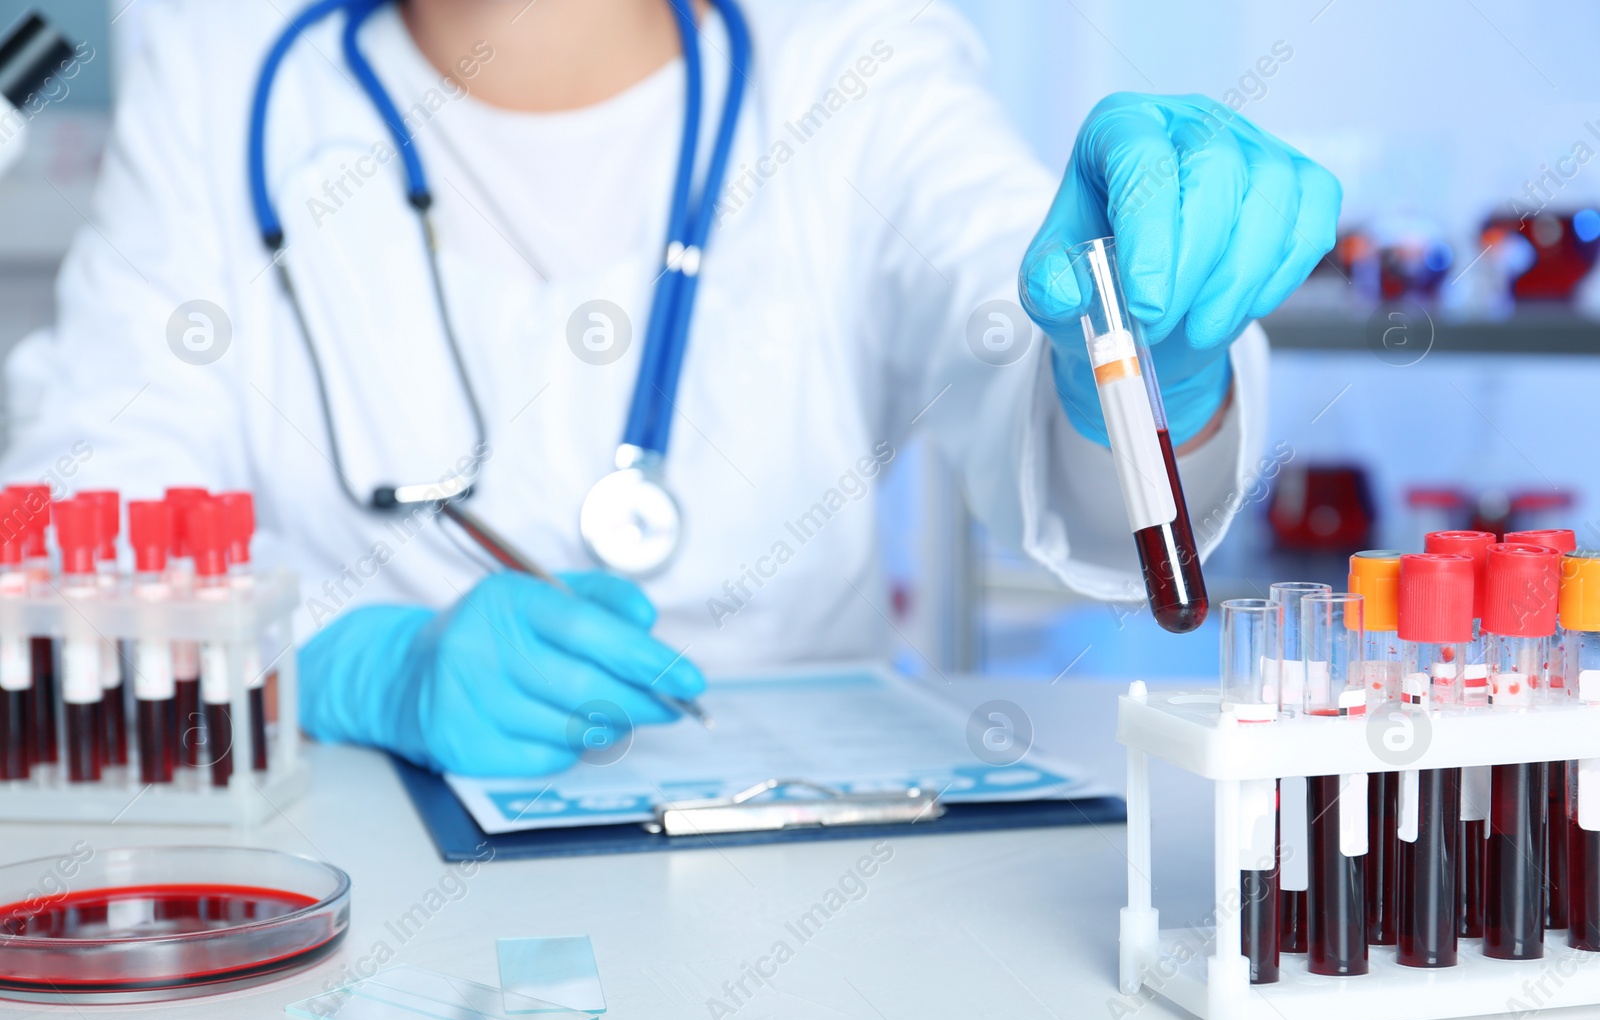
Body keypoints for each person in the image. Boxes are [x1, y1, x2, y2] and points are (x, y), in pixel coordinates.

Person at [0, 0, 1339, 776]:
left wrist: (1147, 356)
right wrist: (337, 666)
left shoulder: (853, 50)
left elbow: (1015, 330)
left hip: (809, 871)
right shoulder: (222, 58)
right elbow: (79, 531)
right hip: (348, 846)